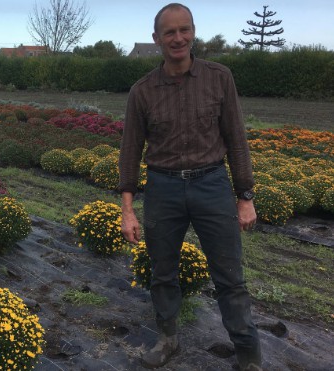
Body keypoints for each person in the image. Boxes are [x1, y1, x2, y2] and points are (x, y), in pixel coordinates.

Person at [117, 3, 262, 370]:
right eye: (169, 32)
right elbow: (130, 151)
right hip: (163, 189)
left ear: (193, 32)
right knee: (162, 272)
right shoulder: (143, 91)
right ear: (157, 39)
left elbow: (237, 140)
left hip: (212, 184)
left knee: (229, 275)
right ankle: (168, 338)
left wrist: (245, 196)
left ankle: (248, 353)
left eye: (184, 30)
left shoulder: (219, 78)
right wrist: (128, 209)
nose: (178, 38)